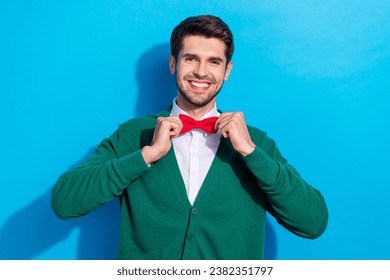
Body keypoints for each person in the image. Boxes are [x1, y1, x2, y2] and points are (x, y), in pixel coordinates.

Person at [51, 15, 328, 260]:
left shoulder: (256, 143)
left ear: (227, 71)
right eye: (191, 58)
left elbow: (312, 223)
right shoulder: (133, 135)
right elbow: (65, 203)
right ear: (174, 63)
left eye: (214, 61)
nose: (201, 72)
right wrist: (145, 155)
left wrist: (251, 153)